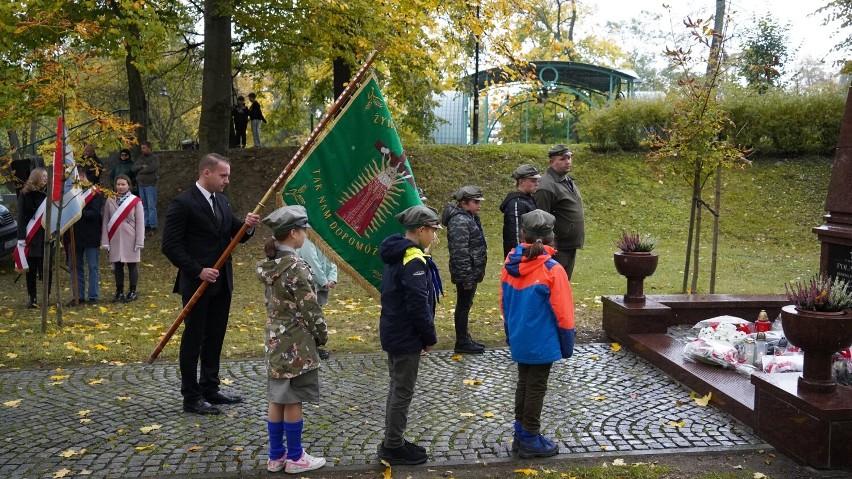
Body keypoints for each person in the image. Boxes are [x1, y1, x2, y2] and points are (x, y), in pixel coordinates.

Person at [161, 153, 260, 416]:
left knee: (214, 337)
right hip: (197, 285)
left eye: (228, 175)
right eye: (223, 175)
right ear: (207, 172)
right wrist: (197, 270)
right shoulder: (183, 203)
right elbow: (170, 245)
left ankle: (209, 387)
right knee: (193, 339)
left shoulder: (223, 202)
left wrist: (248, 226)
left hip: (222, 284)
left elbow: (237, 234)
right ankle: (191, 396)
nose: (227, 180)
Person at [256, 205, 328, 474]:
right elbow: (310, 307)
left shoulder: (270, 264)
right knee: (294, 398)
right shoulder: (296, 266)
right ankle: (296, 457)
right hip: (296, 342)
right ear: (294, 233)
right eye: (304, 230)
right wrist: (322, 335)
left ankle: (276, 457)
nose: (306, 235)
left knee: (277, 398)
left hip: (275, 338)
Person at [500, 209, 575, 459]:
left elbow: (504, 302)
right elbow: (563, 312)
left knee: (524, 383)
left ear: (522, 234)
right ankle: (530, 437)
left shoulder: (510, 264)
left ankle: (521, 433)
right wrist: (567, 343)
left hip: (520, 335)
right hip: (542, 340)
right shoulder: (553, 270)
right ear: (551, 237)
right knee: (536, 387)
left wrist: (510, 333)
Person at [377, 205, 442, 465]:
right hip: (405, 335)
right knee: (402, 391)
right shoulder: (412, 259)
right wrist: (428, 337)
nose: (435, 236)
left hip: (394, 330)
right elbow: (418, 303)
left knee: (397, 388)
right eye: (433, 230)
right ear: (421, 229)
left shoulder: (400, 253)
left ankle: (393, 439)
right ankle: (393, 446)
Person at [441, 185, 487, 354]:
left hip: (471, 271)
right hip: (466, 272)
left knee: (465, 304)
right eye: (476, 202)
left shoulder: (469, 217)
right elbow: (460, 252)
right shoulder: (460, 221)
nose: (479, 205)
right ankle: (462, 341)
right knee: (463, 305)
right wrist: (467, 277)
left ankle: (464, 338)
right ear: (464, 203)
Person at [533, 145, 585, 280]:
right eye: (562, 159)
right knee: (555, 285)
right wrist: (548, 246)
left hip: (569, 244)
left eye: (569, 158)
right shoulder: (546, 185)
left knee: (563, 285)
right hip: (557, 248)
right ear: (552, 162)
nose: (567, 161)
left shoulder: (566, 180)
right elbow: (541, 218)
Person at [101, 175, 144, 303]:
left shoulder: (136, 201)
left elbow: (140, 223)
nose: (120, 187)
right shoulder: (110, 200)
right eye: (118, 184)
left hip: (130, 237)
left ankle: (132, 291)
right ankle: (119, 291)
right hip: (114, 237)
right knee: (118, 265)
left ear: (128, 185)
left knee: (132, 265)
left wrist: (139, 241)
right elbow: (105, 221)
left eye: (123, 184)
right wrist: (105, 241)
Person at [296, 237, 338, 360]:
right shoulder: (307, 239)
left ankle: (313, 346)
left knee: (316, 315)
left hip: (321, 283)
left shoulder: (324, 236)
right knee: (308, 316)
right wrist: (324, 280)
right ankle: (308, 347)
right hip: (310, 284)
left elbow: (334, 256)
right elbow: (310, 260)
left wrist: (332, 277)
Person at [64, 184, 105, 306]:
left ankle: (93, 296)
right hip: (73, 235)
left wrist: (77, 211)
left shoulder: (95, 192)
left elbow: (93, 214)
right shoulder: (68, 193)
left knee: (93, 266)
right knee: (75, 267)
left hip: (90, 235)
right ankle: (78, 296)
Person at [16, 168, 49, 308]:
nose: (46, 178)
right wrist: (21, 237)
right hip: (31, 236)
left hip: (45, 235)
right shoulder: (25, 194)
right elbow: (21, 217)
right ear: (36, 177)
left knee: (47, 267)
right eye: (43, 176)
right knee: (32, 269)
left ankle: (46, 297)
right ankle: (32, 297)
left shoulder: (49, 193)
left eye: (47, 176)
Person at [499, 164, 541, 258]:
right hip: (522, 256)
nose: (537, 184)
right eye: (533, 181)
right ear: (521, 182)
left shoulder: (528, 199)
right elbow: (514, 235)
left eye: (537, 181)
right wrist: (519, 258)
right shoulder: (516, 204)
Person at [132, 141, 159, 235]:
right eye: (141, 148)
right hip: (141, 185)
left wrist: (140, 171)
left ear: (149, 148)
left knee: (151, 206)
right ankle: (146, 224)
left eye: (144, 148)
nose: (142, 150)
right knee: (144, 206)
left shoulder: (154, 158)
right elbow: (133, 168)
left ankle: (153, 225)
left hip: (150, 185)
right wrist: (142, 167)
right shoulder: (141, 158)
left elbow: (151, 169)